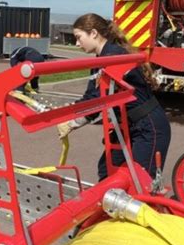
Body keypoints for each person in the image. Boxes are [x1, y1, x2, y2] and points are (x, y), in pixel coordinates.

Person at [57, 13, 171, 180]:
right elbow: (91, 95)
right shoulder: (101, 58)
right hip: (128, 125)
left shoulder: (113, 56)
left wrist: (73, 122)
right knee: (107, 170)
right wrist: (69, 111)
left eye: (79, 37)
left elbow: (98, 100)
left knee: (141, 180)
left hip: (148, 126)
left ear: (94, 33)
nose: (76, 43)